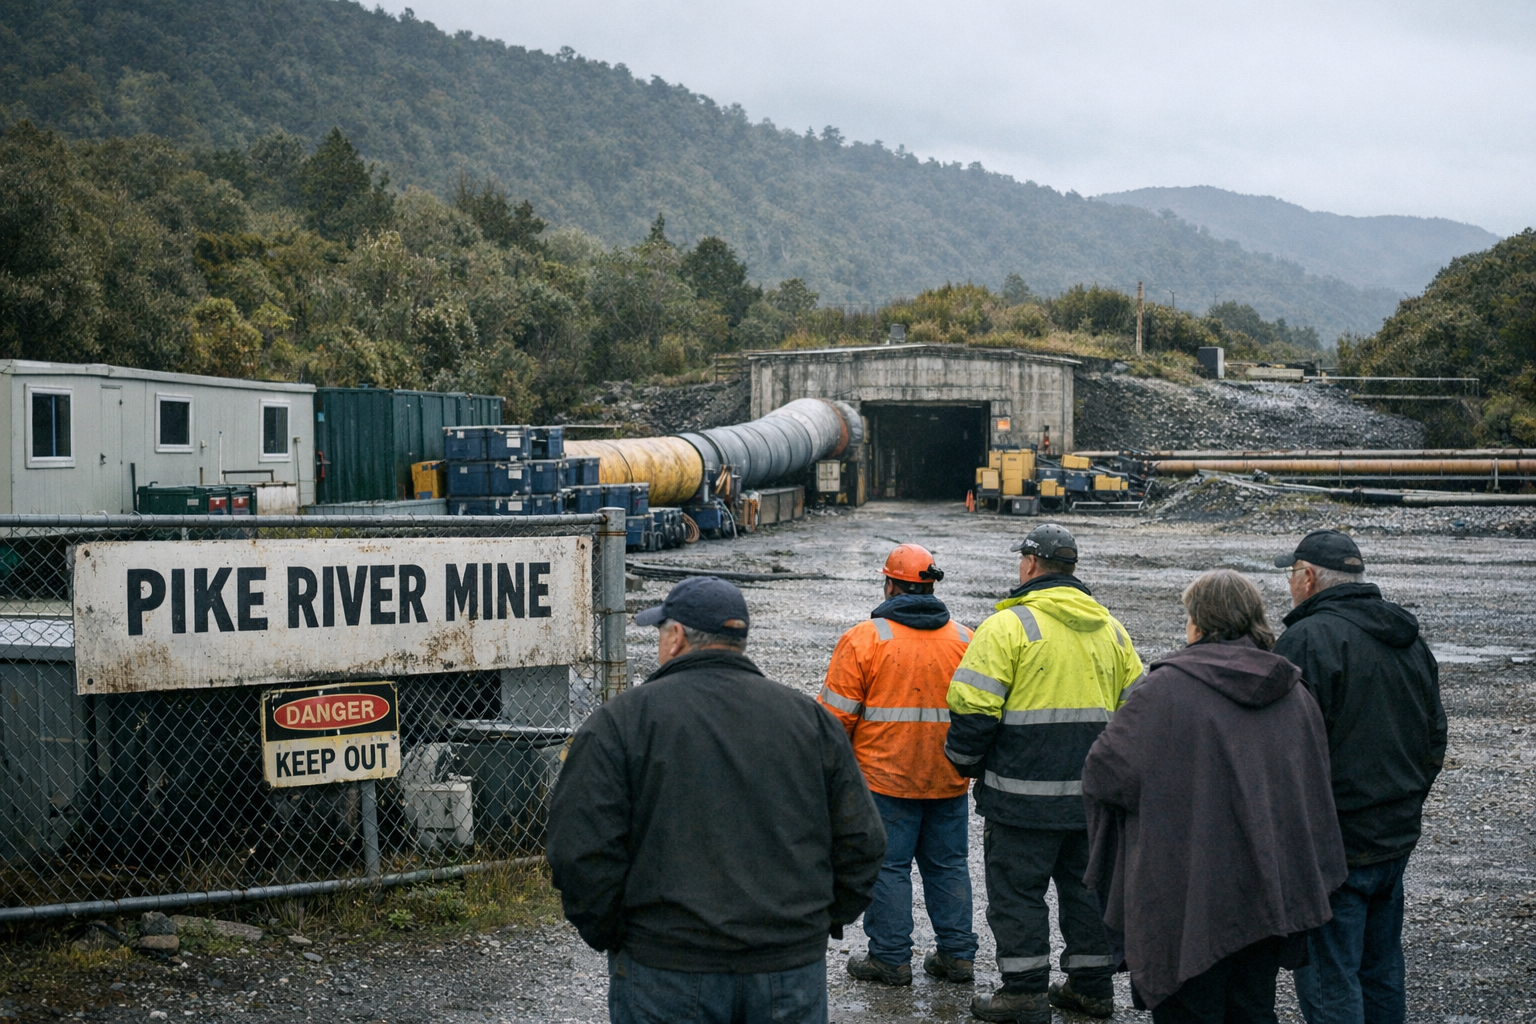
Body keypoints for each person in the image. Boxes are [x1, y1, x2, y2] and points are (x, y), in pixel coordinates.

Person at [546, 575, 887, 1024]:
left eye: (660, 631)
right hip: (787, 969)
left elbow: (580, 848)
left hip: (666, 967)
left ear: (677, 637)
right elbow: (863, 840)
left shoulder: (622, 722)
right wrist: (810, 925)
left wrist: (619, 934)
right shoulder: (809, 721)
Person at [1081, 569, 1348, 1022]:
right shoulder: (1294, 692)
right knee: (1252, 1007)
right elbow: (1311, 785)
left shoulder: (1164, 691)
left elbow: (1104, 772)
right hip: (1266, 891)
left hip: (1185, 894)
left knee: (1189, 1010)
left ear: (1199, 623)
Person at [945, 524, 1145, 1024]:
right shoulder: (1112, 630)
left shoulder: (1009, 627)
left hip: (1020, 802)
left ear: (1031, 565)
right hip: (1092, 803)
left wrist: (966, 767)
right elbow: (1138, 714)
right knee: (1087, 892)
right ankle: (1093, 990)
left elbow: (973, 710)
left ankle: (1025, 993)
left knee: (1016, 896)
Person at [1273, 530, 1447, 1024]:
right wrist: (1407, 799)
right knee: (1381, 970)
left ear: (1307, 577)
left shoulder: (1306, 640)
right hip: (1393, 836)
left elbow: (1288, 750)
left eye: (1291, 574)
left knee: (1331, 979)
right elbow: (1435, 734)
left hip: (1336, 846)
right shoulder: (1408, 638)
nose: (1290, 584)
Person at [819, 543, 979, 987]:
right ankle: (958, 956)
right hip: (948, 778)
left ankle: (890, 959)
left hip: (884, 780)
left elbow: (836, 720)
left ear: (889, 584)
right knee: (948, 866)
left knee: (887, 867)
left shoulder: (865, 638)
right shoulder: (966, 639)